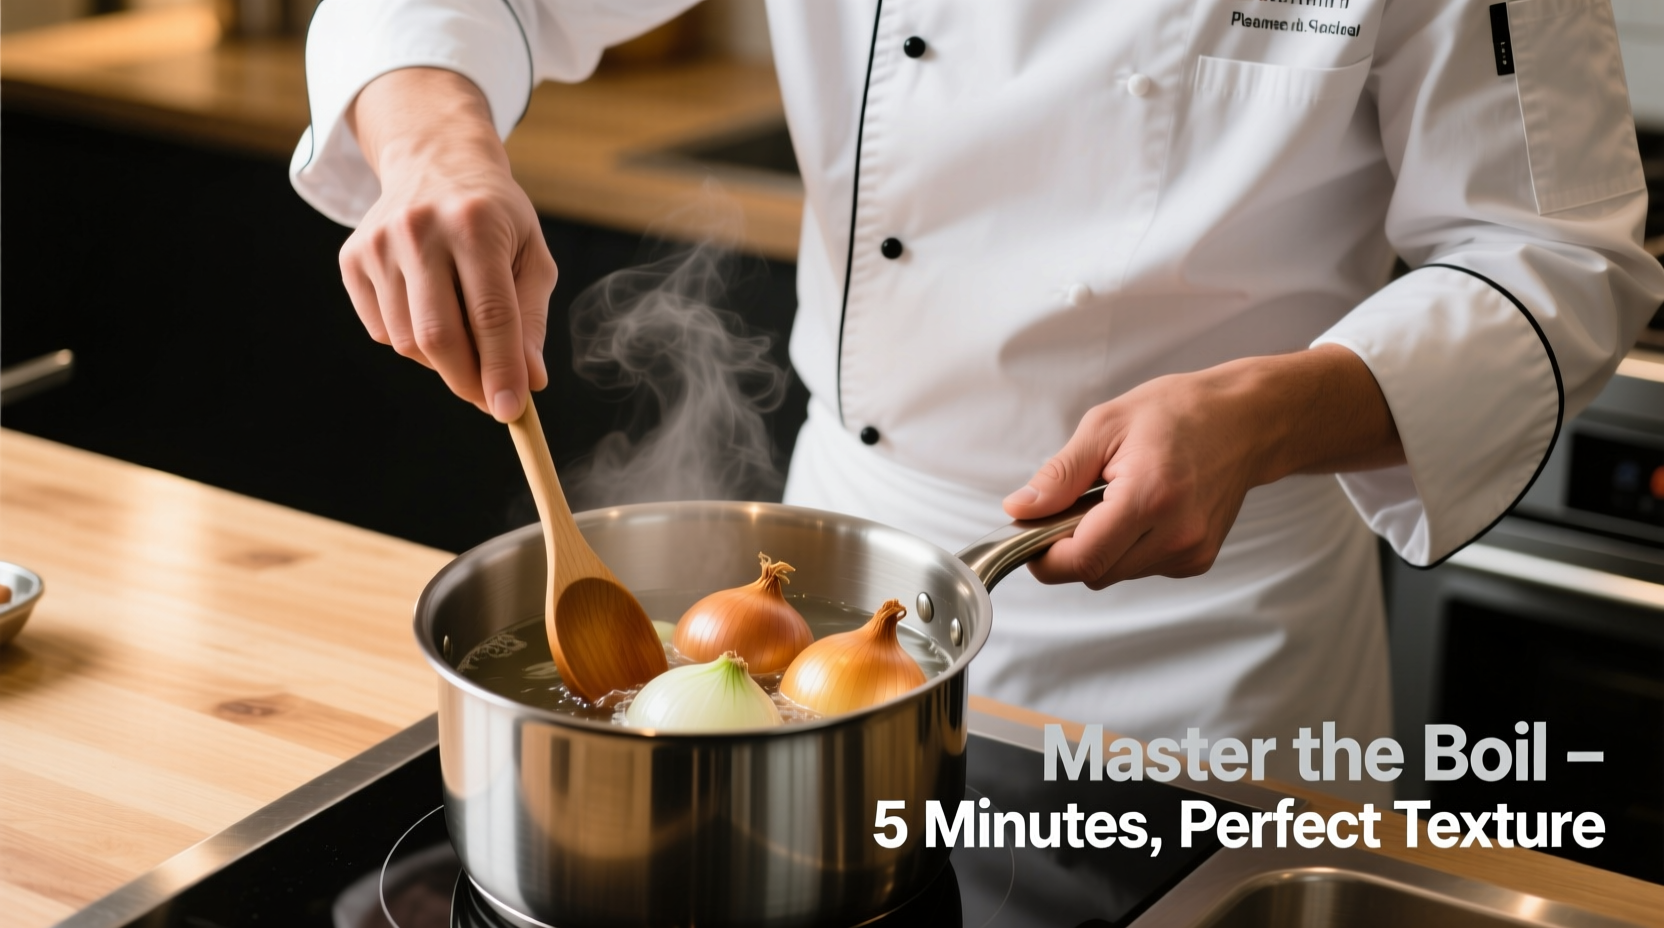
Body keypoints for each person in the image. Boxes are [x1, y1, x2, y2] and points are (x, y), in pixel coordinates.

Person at [291, 0, 1664, 795]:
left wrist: (1266, 414)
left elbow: (1559, 258)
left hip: (1212, 661)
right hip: (818, 632)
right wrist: (438, 153)